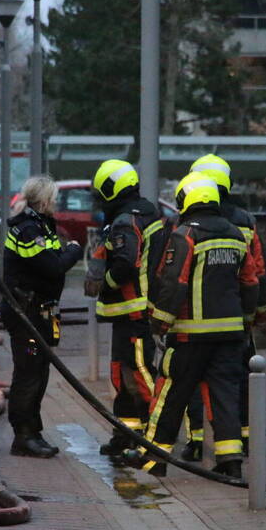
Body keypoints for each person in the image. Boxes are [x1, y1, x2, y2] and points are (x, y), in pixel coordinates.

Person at [133, 172, 259, 478]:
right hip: (229, 337)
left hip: (190, 337)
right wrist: (245, 321)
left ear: (186, 200)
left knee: (171, 393)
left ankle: (154, 458)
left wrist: (159, 324)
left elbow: (174, 284)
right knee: (224, 396)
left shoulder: (186, 235)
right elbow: (250, 283)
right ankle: (230, 463)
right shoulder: (235, 235)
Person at [179, 154, 266, 462]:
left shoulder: (189, 224)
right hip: (235, 315)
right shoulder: (245, 221)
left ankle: (196, 439)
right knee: (236, 378)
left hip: (194, 317)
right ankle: (243, 436)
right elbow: (257, 272)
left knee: (192, 379)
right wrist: (256, 313)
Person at [85, 160, 166, 459]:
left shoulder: (124, 222)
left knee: (141, 374)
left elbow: (124, 264)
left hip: (135, 312)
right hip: (132, 313)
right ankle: (125, 433)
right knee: (121, 374)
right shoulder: (147, 213)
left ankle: (153, 437)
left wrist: (102, 284)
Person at [0, 175, 83, 458]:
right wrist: (74, 250)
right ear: (45, 200)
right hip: (27, 315)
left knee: (39, 373)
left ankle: (33, 432)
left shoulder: (40, 226)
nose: (56, 203)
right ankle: (23, 436)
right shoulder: (27, 230)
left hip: (40, 312)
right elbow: (52, 266)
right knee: (28, 374)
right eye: (54, 198)